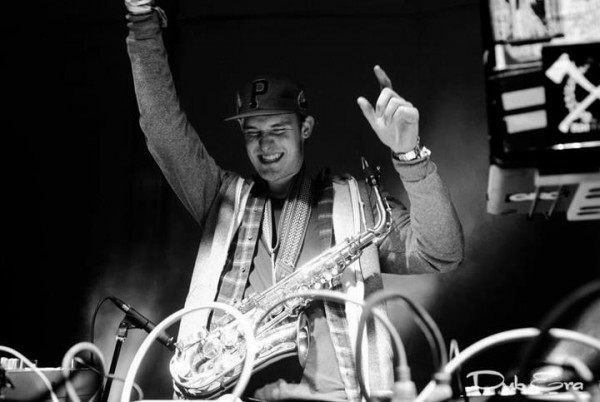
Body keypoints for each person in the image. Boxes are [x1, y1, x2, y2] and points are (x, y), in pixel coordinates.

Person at [123, 1, 465, 401]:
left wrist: (409, 155)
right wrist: (142, 23)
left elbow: (442, 253)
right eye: (253, 133)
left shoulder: (357, 203)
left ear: (306, 128)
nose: (265, 144)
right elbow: (163, 130)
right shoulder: (223, 198)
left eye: (278, 129)